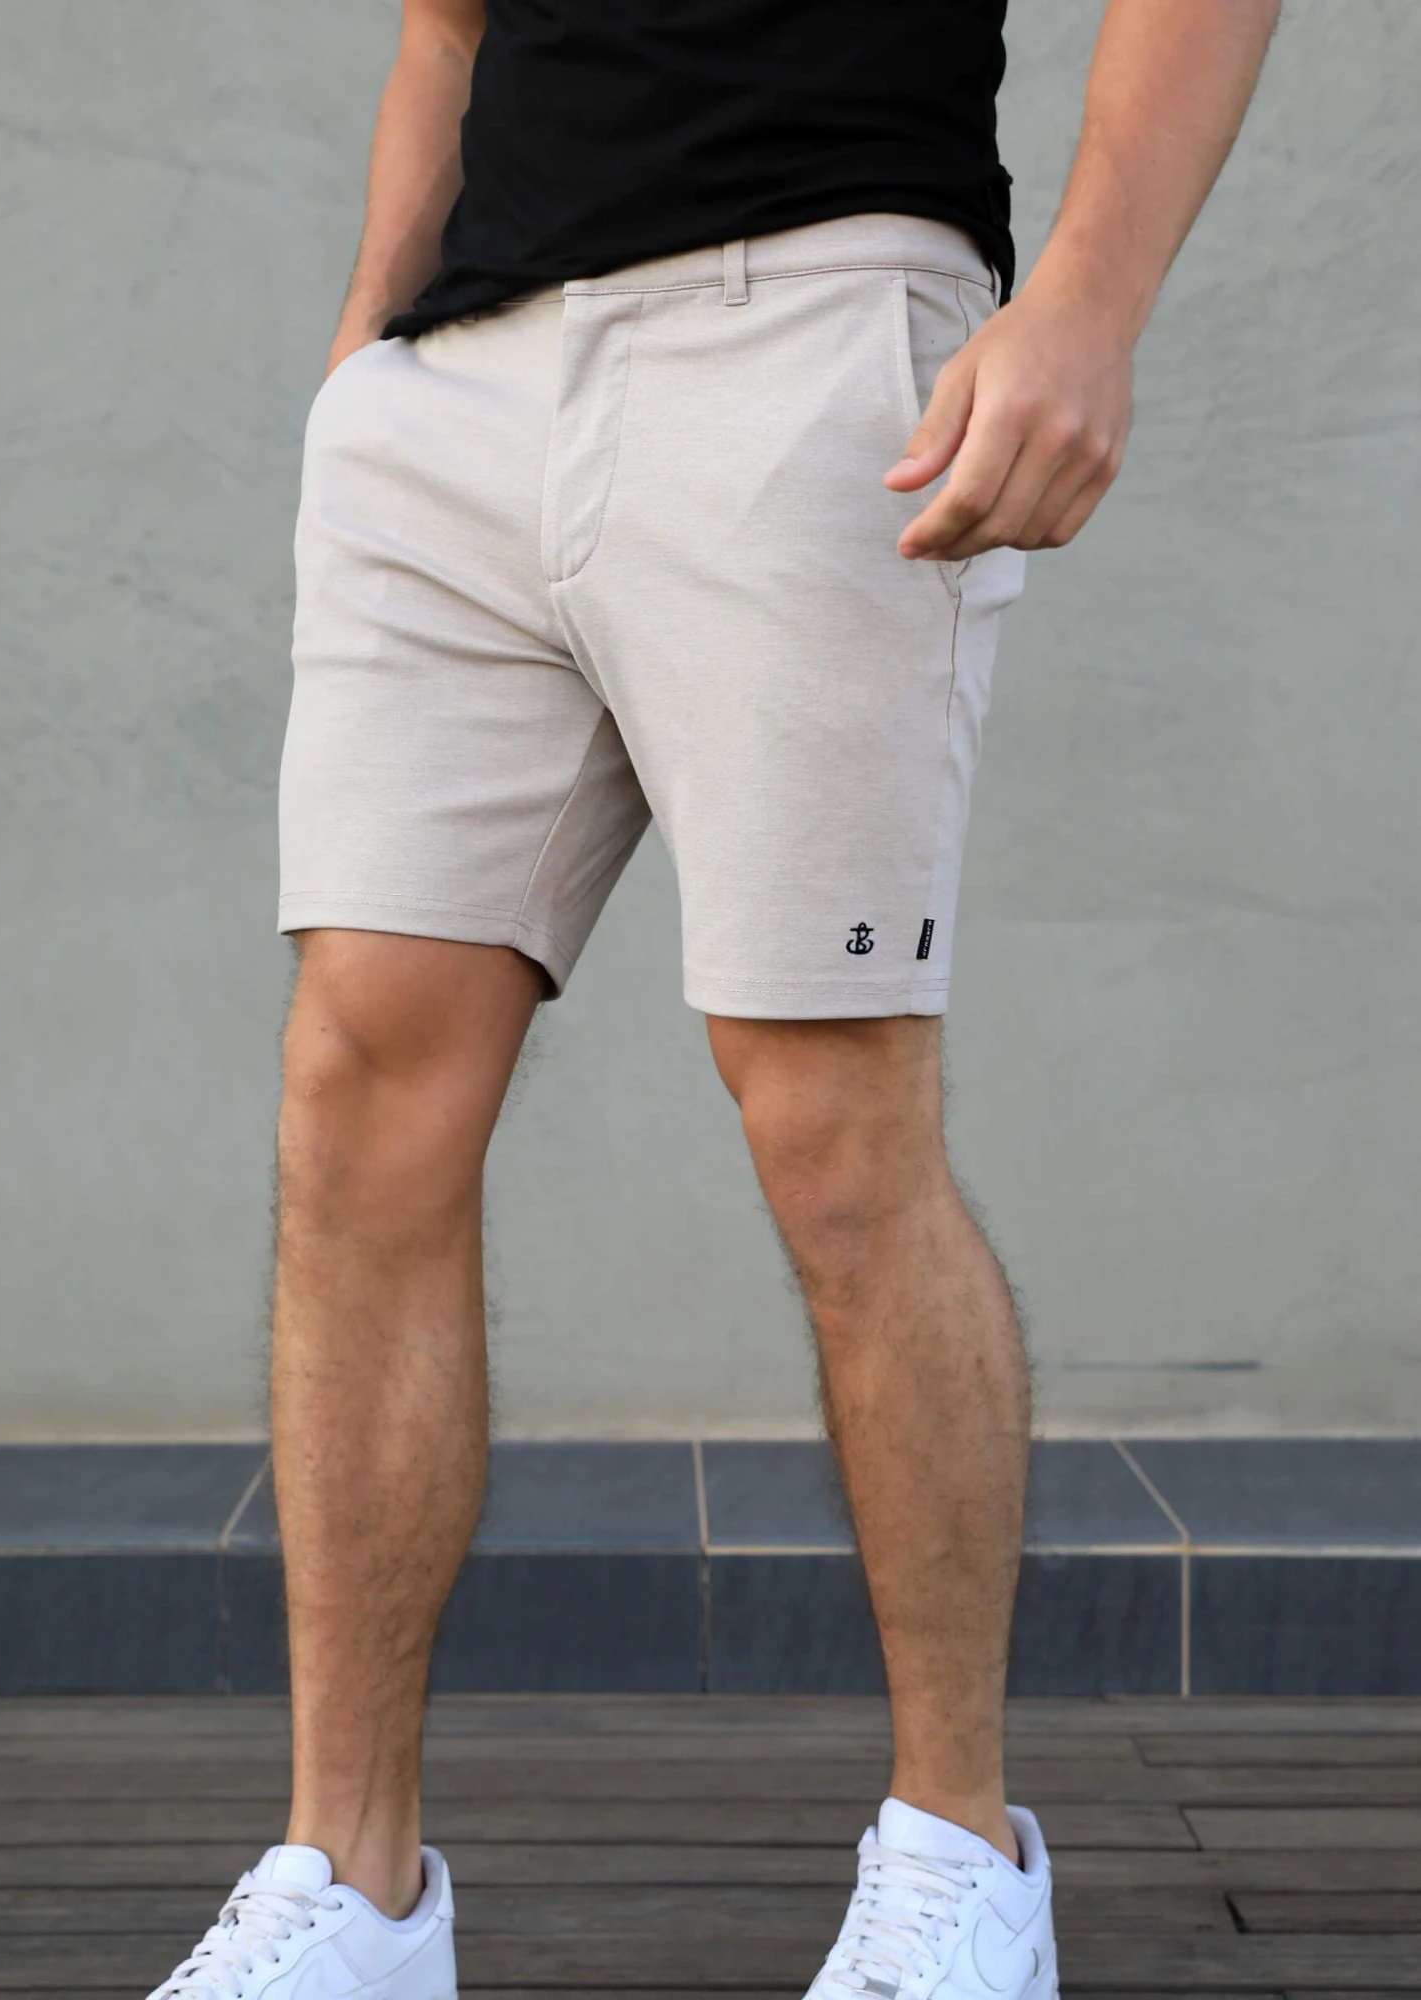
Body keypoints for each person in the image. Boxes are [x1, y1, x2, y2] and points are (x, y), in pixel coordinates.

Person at [147, 1, 1281, 1994]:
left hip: (814, 320)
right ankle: (349, 1894)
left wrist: (1091, 302)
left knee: (831, 1119)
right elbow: (447, 24)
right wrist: (363, 364)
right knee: (358, 1099)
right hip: (457, 377)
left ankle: (960, 1866)